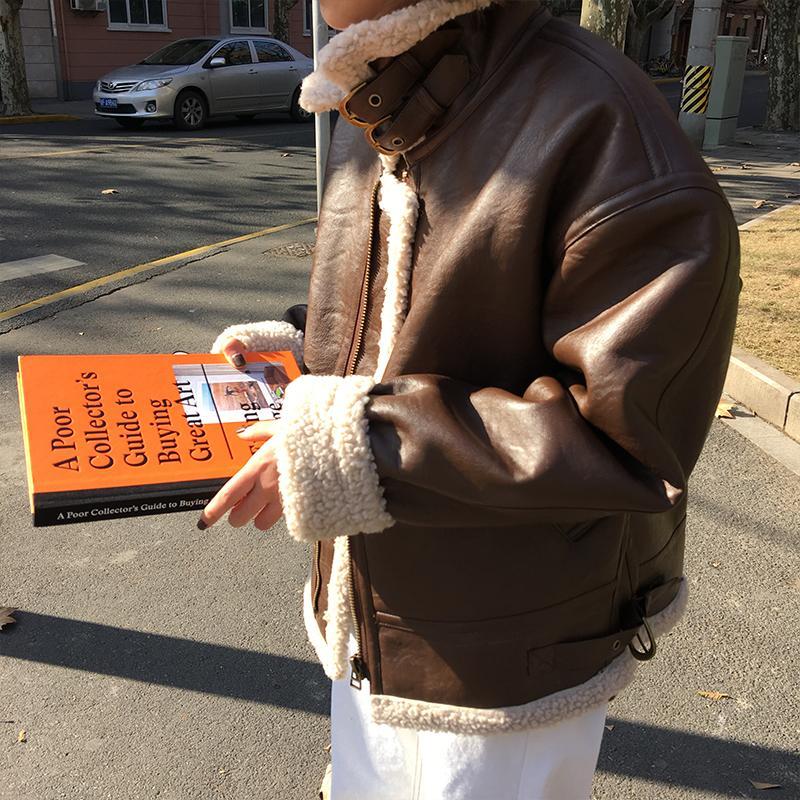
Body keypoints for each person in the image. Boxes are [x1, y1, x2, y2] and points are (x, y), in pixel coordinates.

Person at [200, 1, 740, 797]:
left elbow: (625, 436)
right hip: (375, 619)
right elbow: (413, 311)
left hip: (505, 648)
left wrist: (354, 441)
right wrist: (293, 348)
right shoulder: (381, 89)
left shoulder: (596, 117)